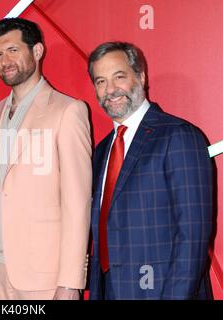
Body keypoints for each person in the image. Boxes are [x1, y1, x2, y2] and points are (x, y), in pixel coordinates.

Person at [0, 18, 92, 300]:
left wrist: (70, 281)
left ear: (37, 51)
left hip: (46, 276)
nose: (5, 61)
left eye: (13, 50)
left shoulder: (68, 111)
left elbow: (77, 203)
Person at [88, 41, 213, 299]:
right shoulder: (100, 152)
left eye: (118, 77)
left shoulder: (179, 136)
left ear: (141, 77)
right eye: (100, 81)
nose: (110, 90)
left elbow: (193, 236)